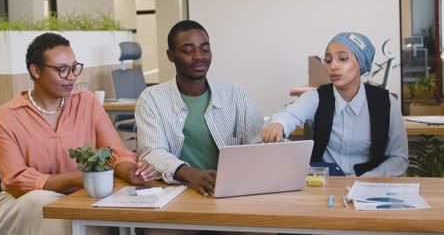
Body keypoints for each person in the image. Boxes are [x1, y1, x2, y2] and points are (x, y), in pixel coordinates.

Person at [0, 33, 156, 235]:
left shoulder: (87, 102)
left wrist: (130, 171)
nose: (72, 77)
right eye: (62, 70)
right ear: (36, 70)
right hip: (23, 202)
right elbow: (16, 181)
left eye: (74, 68)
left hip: (81, 198)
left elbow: (115, 153)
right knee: (45, 205)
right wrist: (76, 178)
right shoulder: (8, 115)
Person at [136, 20, 266, 235]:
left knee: (264, 230)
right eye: (188, 50)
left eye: (205, 49)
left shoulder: (235, 93)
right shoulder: (152, 98)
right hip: (177, 194)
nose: (199, 56)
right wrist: (189, 173)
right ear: (171, 55)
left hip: (231, 194)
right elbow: (151, 152)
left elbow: (257, 141)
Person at [263, 32, 408, 177]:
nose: (333, 66)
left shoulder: (387, 103)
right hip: (322, 185)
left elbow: (399, 159)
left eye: (343, 59)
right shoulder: (316, 97)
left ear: (361, 63)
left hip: (369, 187)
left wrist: (367, 179)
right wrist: (278, 124)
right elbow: (290, 115)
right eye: (328, 60)